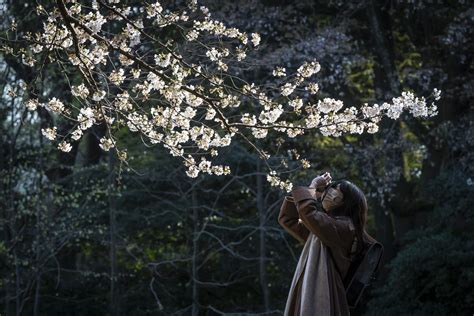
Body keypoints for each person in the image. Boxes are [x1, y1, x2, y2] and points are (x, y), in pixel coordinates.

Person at [278, 172, 376, 316]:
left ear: (345, 201)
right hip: (311, 288)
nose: (329, 189)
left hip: (323, 292)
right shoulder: (325, 227)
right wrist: (315, 195)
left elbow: (308, 214)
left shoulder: (345, 227)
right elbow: (287, 219)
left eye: (336, 188)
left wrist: (312, 187)